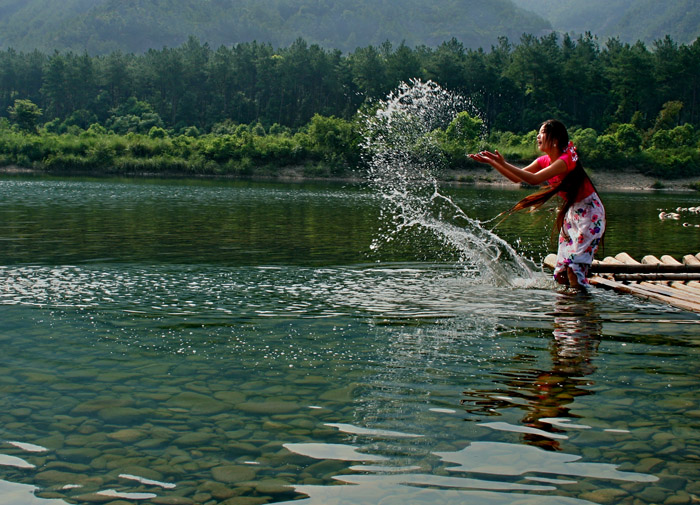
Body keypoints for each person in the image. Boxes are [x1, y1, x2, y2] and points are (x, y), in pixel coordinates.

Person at [468, 119, 605, 289]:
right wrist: (493, 163)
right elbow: (517, 178)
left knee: (574, 268)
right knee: (562, 273)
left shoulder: (565, 160)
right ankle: (568, 309)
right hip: (573, 213)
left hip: (590, 213)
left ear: (554, 139)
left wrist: (502, 163)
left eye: (541, 133)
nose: (537, 136)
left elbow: (533, 180)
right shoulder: (544, 161)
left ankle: (581, 308)